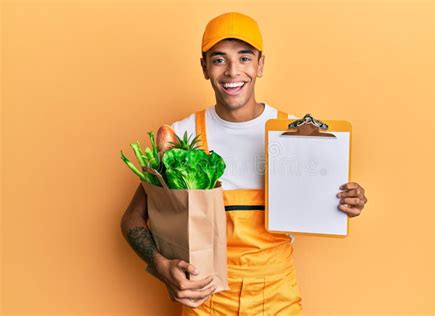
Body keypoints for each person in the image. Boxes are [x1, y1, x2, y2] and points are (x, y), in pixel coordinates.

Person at [120, 12, 368, 315]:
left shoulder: (294, 133)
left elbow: (321, 201)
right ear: (204, 67)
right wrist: (161, 267)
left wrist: (346, 200)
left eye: (245, 58)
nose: (232, 72)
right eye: (219, 59)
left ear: (260, 64)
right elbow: (132, 219)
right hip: (206, 298)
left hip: (278, 296)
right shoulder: (180, 137)